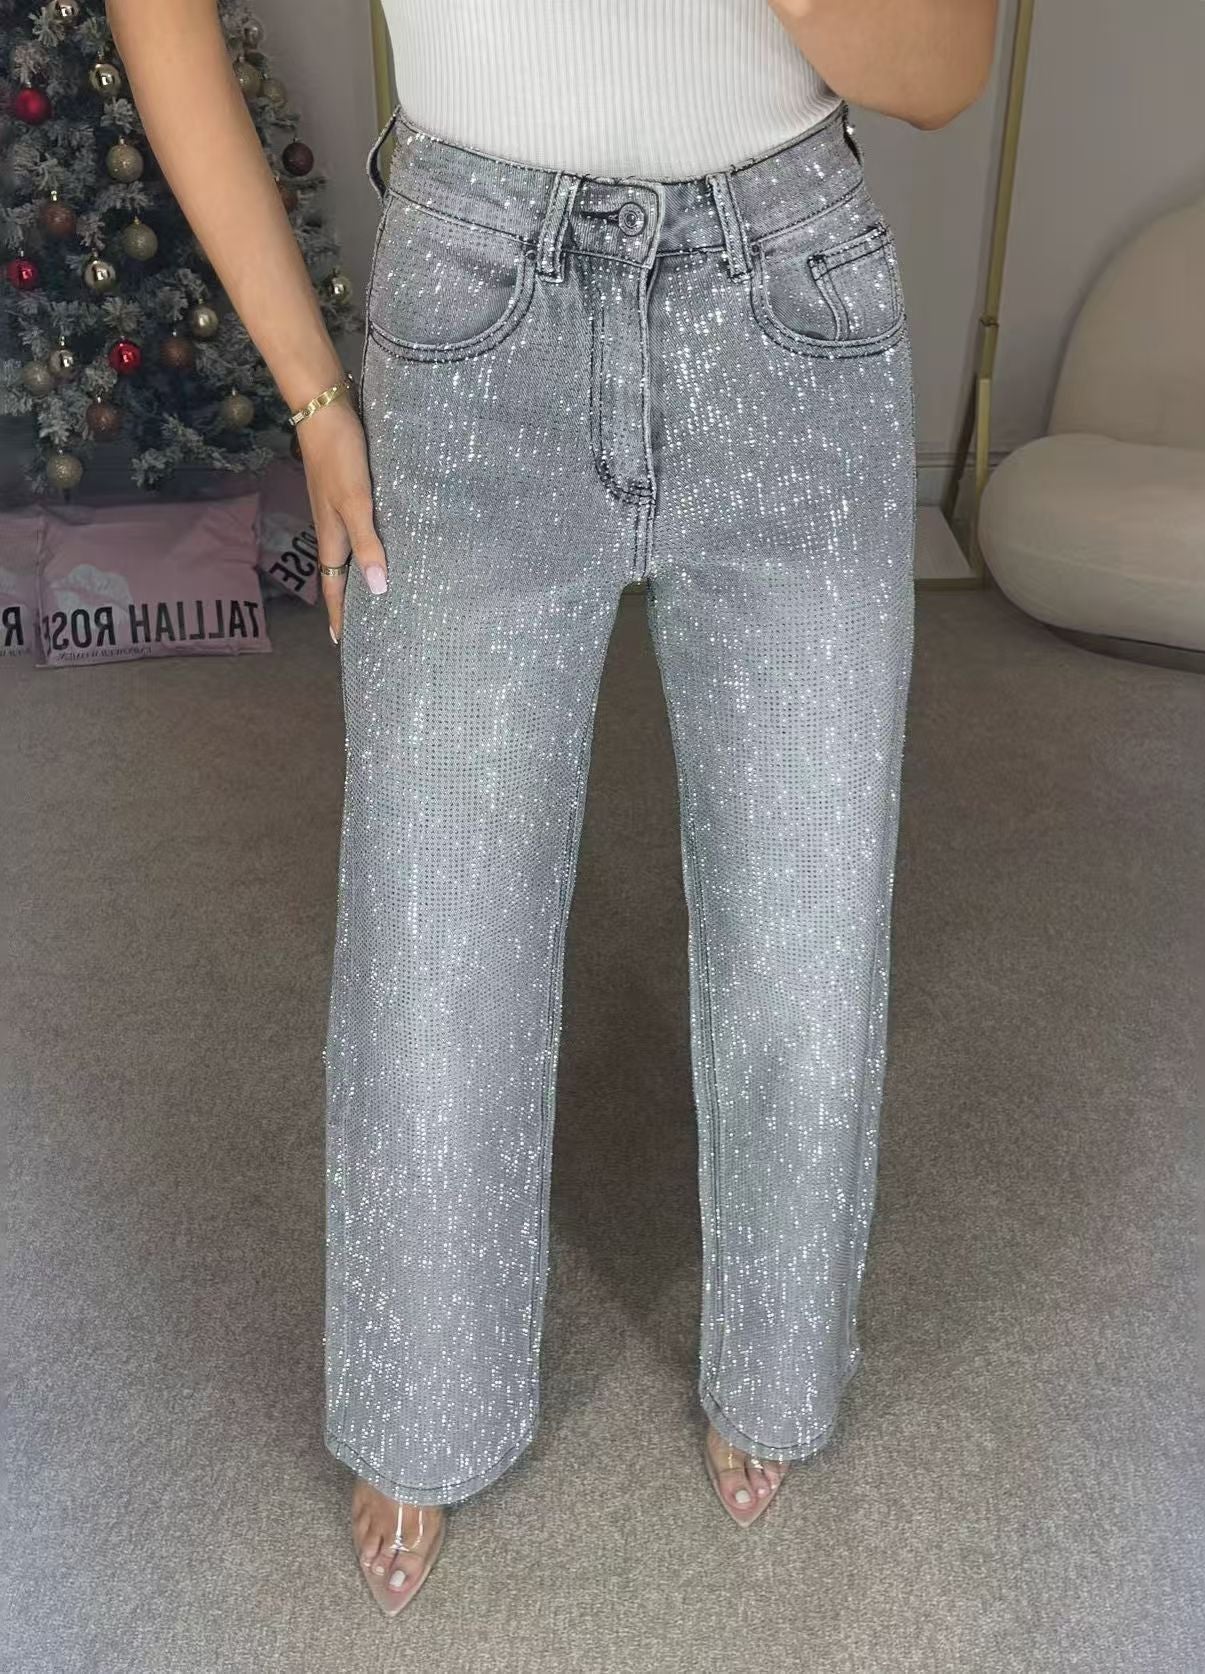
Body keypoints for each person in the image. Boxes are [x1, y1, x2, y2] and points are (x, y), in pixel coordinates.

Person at [110, 0, 997, 1620]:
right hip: (478, 301)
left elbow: (946, 74)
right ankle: (420, 1400)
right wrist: (310, 389)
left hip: (791, 299)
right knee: (435, 946)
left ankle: (777, 1360)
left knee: (806, 938)